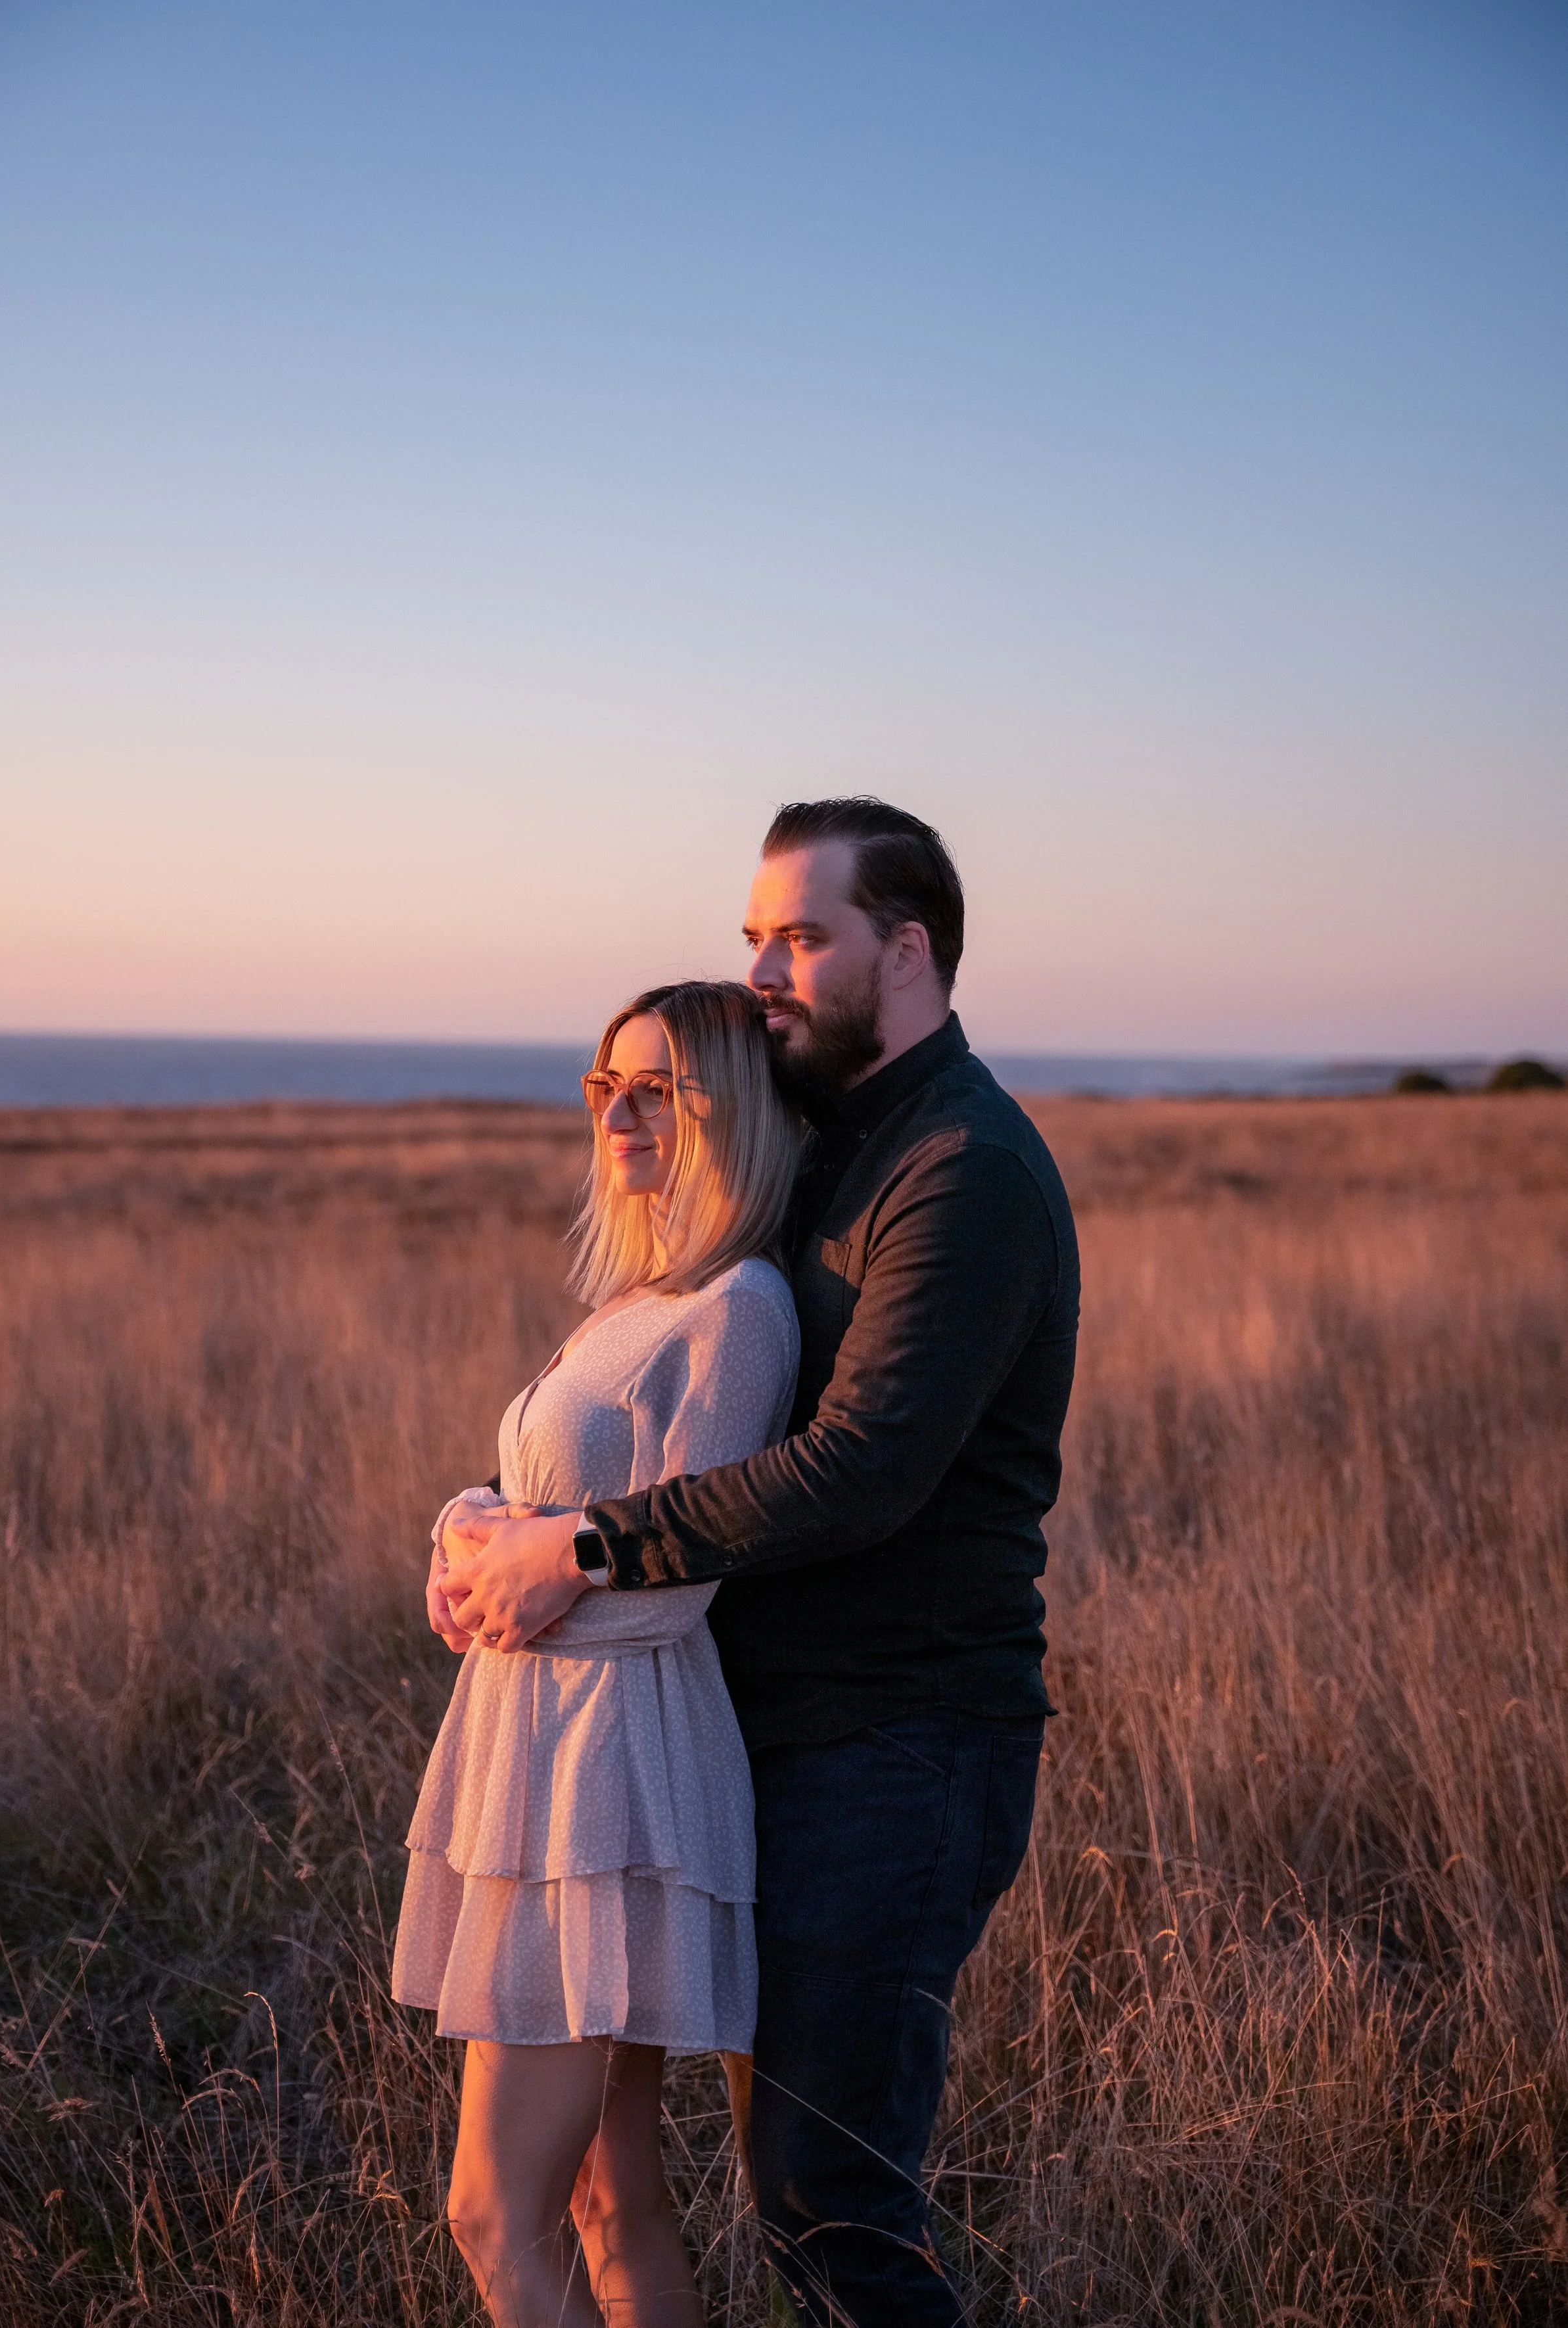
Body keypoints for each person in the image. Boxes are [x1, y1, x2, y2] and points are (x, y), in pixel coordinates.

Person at [446, 797, 1080, 2328]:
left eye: (801, 936)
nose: (765, 968)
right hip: (748, 1742)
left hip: (902, 1747)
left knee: (827, 2198)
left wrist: (580, 1548)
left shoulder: (959, 1169)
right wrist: (494, 1507)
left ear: (907, 948)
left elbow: (859, 1474)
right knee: (696, 2184)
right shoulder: (821, 1154)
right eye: (753, 936)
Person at [395, 978, 802, 2328]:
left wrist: (521, 1590)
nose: (617, 1114)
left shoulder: (737, 1309)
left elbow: (674, 1582)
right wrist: (472, 1535)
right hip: (545, 1752)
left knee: (488, 2212)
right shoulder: (637, 1292)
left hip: (609, 1776)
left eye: (656, 1090)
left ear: (725, 1110)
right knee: (600, 2200)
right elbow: (559, 1501)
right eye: (602, 1087)